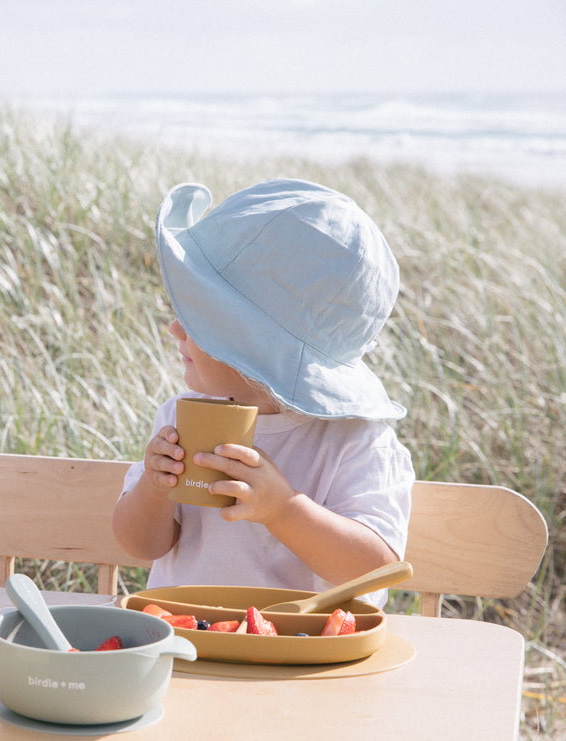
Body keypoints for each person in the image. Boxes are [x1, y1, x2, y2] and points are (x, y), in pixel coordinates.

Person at [111, 179, 414, 608]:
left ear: (253, 347)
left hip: (301, 655)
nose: (174, 329)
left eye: (199, 321)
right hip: (186, 637)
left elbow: (375, 567)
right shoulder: (182, 417)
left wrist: (284, 509)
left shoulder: (354, 441)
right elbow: (140, 545)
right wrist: (153, 489)